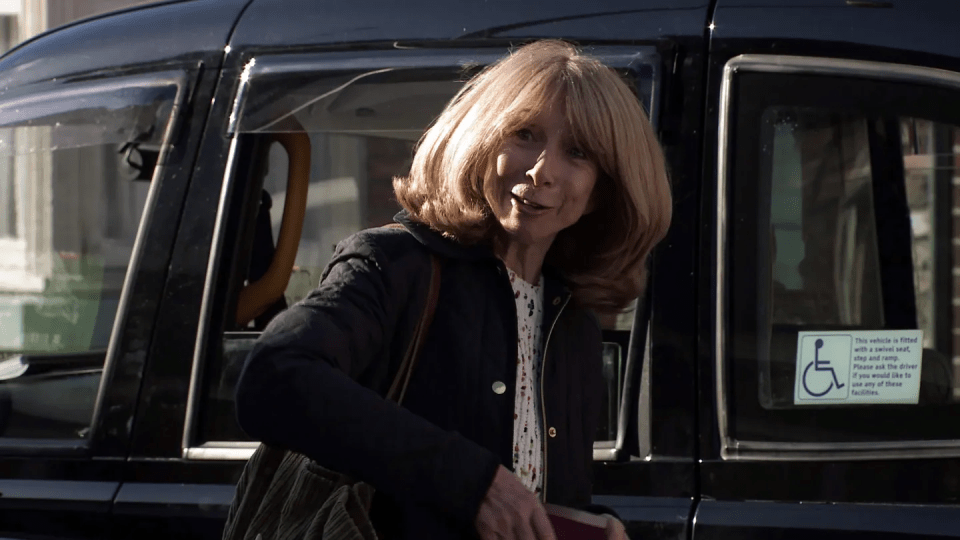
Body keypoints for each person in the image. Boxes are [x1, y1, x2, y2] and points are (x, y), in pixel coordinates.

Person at [234, 39, 672, 540]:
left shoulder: (573, 324)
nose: (542, 170)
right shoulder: (396, 265)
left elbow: (528, 494)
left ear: (601, 192)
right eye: (524, 134)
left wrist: (589, 524)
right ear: (482, 143)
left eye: (577, 152)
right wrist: (471, 480)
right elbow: (273, 379)